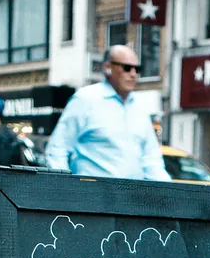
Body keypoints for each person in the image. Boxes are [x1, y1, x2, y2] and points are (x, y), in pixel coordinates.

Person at [43, 45, 169, 181]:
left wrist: (172, 196)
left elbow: (151, 161)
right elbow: (58, 149)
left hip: (131, 198)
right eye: (127, 68)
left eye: (137, 69)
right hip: (91, 197)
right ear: (108, 68)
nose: (133, 74)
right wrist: (63, 190)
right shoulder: (85, 99)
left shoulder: (140, 108)